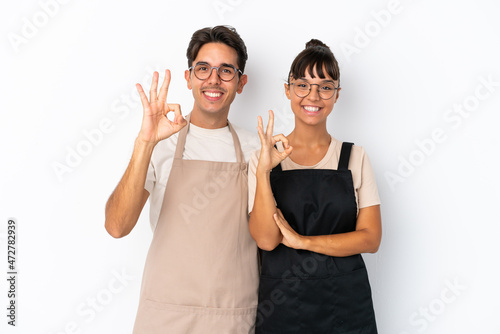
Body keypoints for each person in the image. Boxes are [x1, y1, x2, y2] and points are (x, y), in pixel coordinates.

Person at [104, 26, 260, 333]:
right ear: (188, 78)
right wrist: (145, 142)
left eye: (226, 71)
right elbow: (116, 226)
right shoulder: (160, 142)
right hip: (165, 315)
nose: (213, 79)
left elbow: (267, 237)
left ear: (241, 83)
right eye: (203, 68)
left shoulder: (257, 149)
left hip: (232, 316)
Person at [248, 39, 382, 333]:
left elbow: (371, 239)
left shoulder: (354, 157)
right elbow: (267, 240)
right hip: (282, 305)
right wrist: (263, 172)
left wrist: (303, 242)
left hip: (347, 306)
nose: (313, 95)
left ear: (337, 94)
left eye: (325, 86)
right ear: (288, 89)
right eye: (302, 84)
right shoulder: (263, 160)